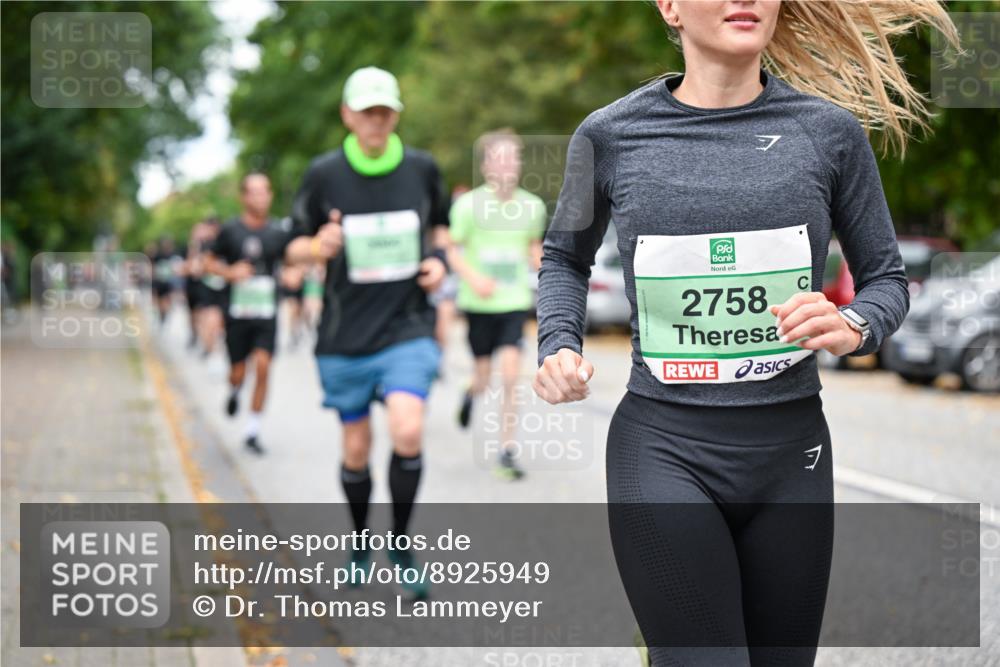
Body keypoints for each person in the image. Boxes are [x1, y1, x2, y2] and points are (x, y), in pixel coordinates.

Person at [532, 2, 958, 665]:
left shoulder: (828, 134)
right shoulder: (609, 135)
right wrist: (559, 343)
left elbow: (886, 279)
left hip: (792, 458)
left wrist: (853, 325)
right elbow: (564, 257)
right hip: (663, 446)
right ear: (669, 6)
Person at [285, 66, 449, 599]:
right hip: (344, 331)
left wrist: (440, 261)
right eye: (367, 111)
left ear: (396, 113)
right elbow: (288, 247)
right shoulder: (324, 174)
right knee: (356, 447)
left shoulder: (422, 168)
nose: (377, 121)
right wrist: (316, 247)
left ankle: (400, 544)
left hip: (407, 325)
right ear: (348, 115)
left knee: (407, 429)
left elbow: (440, 228)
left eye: (385, 110)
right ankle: (360, 544)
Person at [449, 131, 545, 480]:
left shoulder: (532, 206)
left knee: (510, 377)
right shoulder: (467, 206)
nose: (508, 164)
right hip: (478, 304)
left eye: (513, 158)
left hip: (512, 302)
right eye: (500, 158)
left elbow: (533, 248)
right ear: (487, 165)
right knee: (484, 378)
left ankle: (507, 450)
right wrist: (474, 278)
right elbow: (452, 251)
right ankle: (469, 391)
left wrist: (546, 263)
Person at [205, 173, 292, 455]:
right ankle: (234, 389)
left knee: (264, 366)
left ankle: (253, 431)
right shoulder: (230, 230)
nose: (260, 197)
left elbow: (291, 261)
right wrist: (230, 272)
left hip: (266, 312)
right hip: (237, 313)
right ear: (243, 197)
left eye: (265, 191)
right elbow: (207, 262)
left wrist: (294, 274)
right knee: (239, 371)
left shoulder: (278, 232)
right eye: (254, 192)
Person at [151, 236, 184, 325]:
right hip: (158, 282)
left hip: (168, 282)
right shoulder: (158, 255)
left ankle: (164, 315)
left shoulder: (174, 255)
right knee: (158, 302)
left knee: (166, 301)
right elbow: (153, 267)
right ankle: (161, 314)